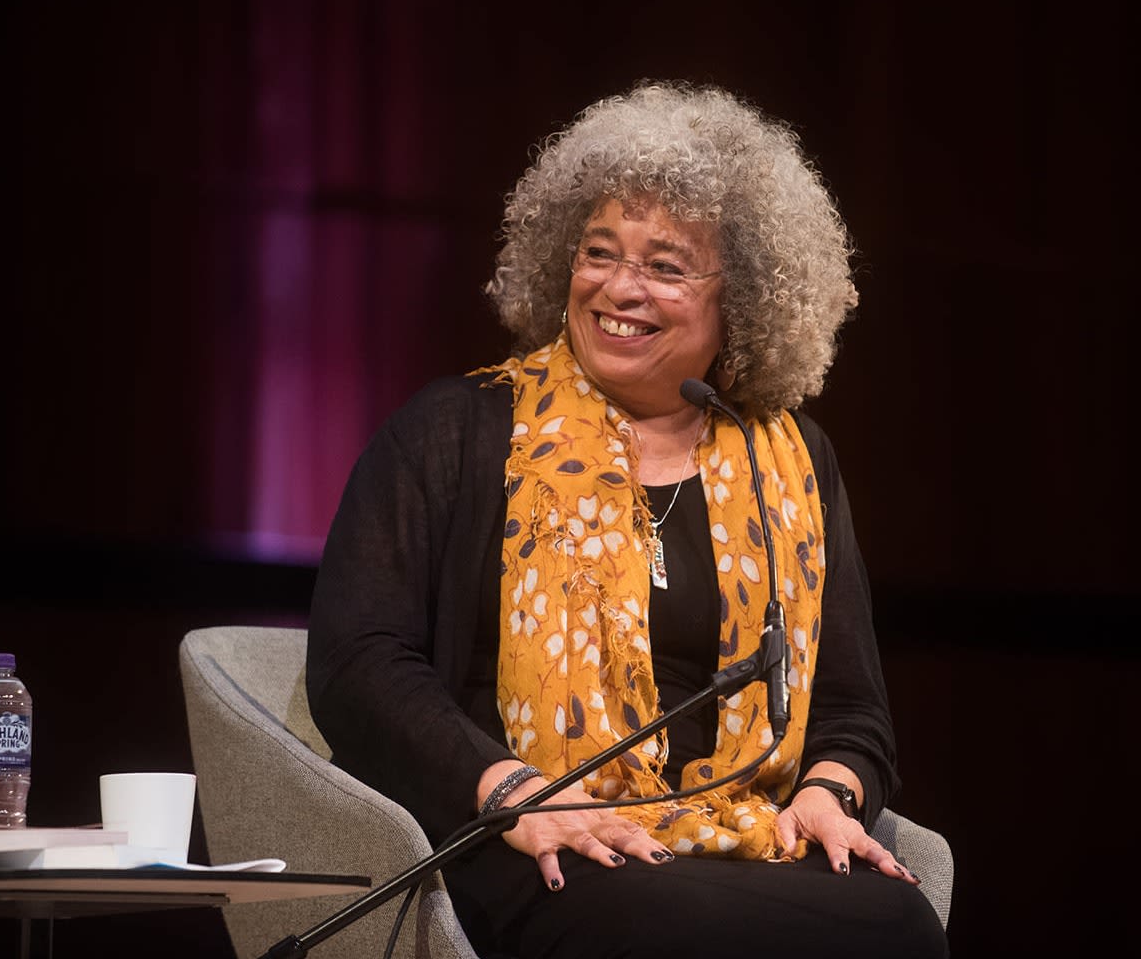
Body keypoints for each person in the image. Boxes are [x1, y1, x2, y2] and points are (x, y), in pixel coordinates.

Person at [307, 80, 948, 959]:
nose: (619, 287)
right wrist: (511, 791)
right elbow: (359, 664)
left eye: (666, 266)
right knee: (649, 924)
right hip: (523, 832)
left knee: (901, 923)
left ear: (745, 300)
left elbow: (849, 705)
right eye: (599, 252)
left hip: (739, 836)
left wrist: (827, 796)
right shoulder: (456, 431)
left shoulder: (788, 464)